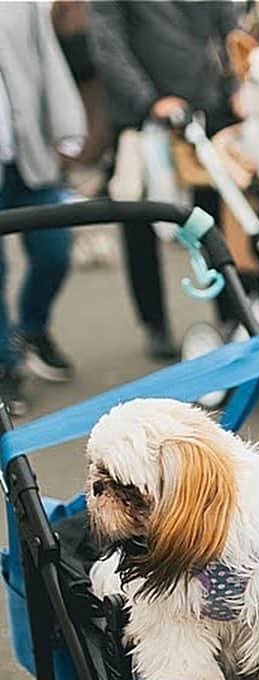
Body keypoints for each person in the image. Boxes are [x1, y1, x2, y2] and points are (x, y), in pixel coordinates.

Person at [89, 1, 240, 361]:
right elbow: (107, 41)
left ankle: (233, 314)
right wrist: (147, 100)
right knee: (143, 221)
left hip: (206, 110)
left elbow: (229, 29)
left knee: (219, 221)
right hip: (143, 120)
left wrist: (234, 87)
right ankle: (154, 323)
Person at [0, 2, 87, 412]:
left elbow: (48, 60)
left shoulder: (19, 6)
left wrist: (67, 128)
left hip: (29, 156)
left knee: (55, 253)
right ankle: (5, 366)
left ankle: (31, 329)